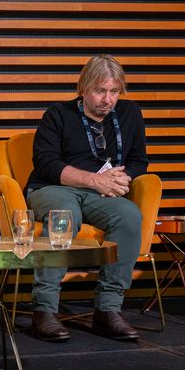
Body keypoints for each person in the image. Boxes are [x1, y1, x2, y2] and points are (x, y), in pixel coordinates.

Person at [26, 54, 148, 342]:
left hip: (101, 193)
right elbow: (46, 164)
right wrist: (95, 179)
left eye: (114, 92)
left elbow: (138, 160)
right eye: (100, 91)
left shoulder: (130, 113)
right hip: (53, 188)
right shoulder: (58, 114)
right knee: (65, 214)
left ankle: (108, 309)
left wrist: (123, 178)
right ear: (83, 88)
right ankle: (44, 310)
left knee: (129, 215)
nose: (107, 100)